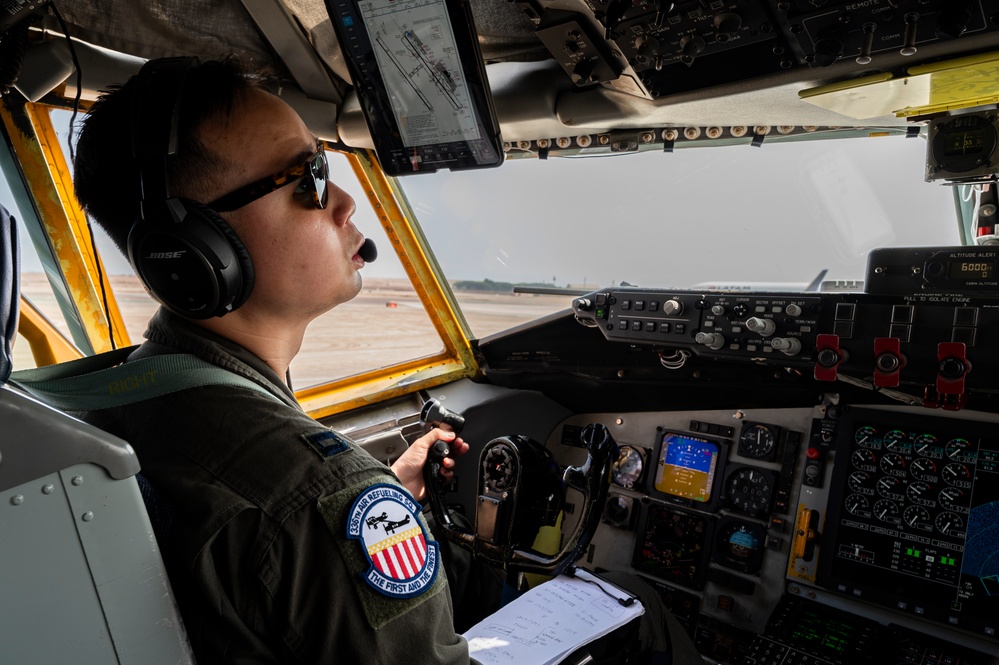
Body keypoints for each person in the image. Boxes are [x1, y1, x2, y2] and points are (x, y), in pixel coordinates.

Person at [72, 57, 479, 664]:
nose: (344, 202)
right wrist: (350, 504)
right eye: (306, 177)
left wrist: (378, 499)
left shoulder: (118, 399)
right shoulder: (317, 495)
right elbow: (289, 508)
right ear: (193, 249)